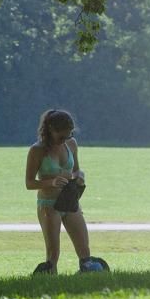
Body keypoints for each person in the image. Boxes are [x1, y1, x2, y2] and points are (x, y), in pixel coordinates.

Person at [25, 109, 106, 274]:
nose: (64, 140)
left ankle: (86, 273)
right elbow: (29, 183)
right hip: (49, 205)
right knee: (53, 254)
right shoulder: (37, 150)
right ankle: (50, 277)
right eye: (61, 136)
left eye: (68, 135)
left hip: (69, 201)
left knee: (84, 250)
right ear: (50, 130)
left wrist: (79, 176)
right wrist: (51, 182)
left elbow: (76, 170)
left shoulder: (71, 144)